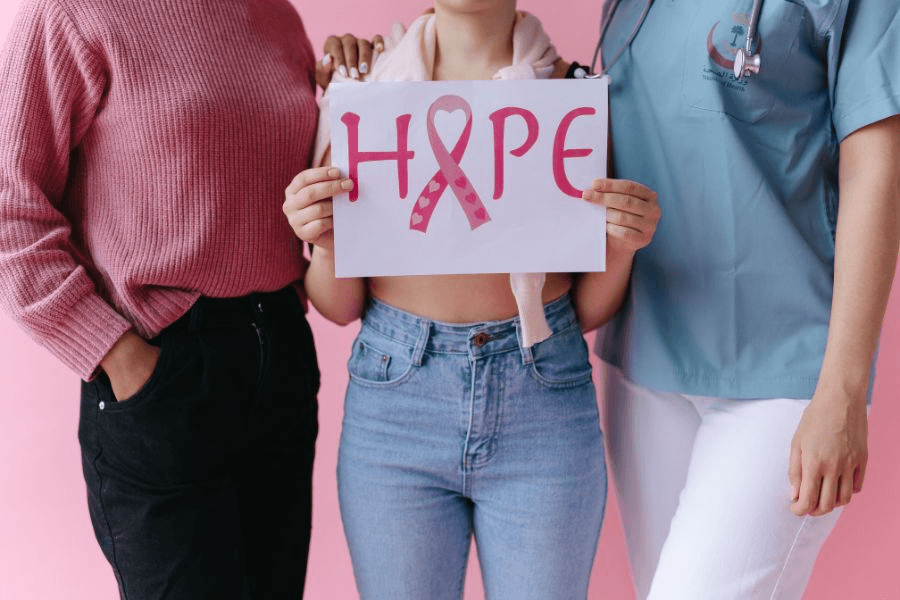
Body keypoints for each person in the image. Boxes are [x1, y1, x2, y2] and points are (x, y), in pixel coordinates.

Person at [324, 0, 900, 598]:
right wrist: (378, 55)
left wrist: (843, 390)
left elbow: (877, 163)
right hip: (645, 359)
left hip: (783, 363)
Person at [283, 1, 660, 598]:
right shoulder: (362, 90)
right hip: (395, 406)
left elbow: (586, 310)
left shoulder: (575, 97)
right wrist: (326, 241)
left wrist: (623, 247)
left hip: (544, 397)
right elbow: (338, 304)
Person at [0, 0, 321, 597]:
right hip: (162, 368)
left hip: (279, 358)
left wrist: (365, 76)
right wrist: (115, 354)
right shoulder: (72, 14)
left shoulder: (275, 13)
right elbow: (9, 207)